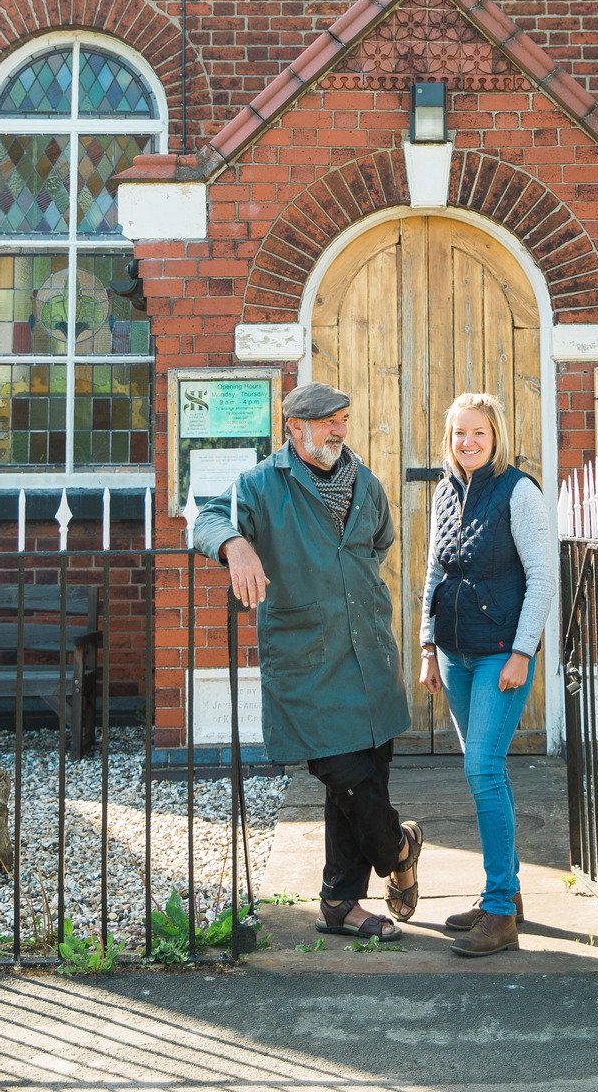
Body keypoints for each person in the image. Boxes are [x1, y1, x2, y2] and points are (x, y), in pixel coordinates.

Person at [193, 380, 423, 942]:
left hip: (368, 651)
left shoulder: (366, 485)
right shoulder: (261, 485)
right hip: (307, 659)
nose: (339, 430)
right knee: (345, 777)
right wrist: (237, 546)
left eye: (343, 419)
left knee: (364, 780)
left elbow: (379, 544)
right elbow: (205, 520)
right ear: (293, 428)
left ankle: (340, 904)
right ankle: (400, 847)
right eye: (326, 421)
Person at [419, 391, 557, 957]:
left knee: (482, 768)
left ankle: (499, 913)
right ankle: (506, 893)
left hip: (503, 654)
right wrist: (428, 645)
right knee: (483, 775)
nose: (468, 443)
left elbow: (543, 577)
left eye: (478, 433)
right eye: (458, 434)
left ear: (495, 435)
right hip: (455, 654)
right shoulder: (445, 492)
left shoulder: (518, 492)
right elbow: (432, 569)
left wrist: (524, 651)